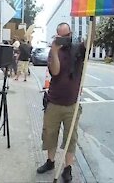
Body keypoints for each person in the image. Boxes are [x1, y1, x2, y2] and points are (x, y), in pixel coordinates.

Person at [37, 22, 86, 182]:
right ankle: (50, 162)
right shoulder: (53, 51)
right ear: (57, 36)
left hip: (72, 103)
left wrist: (92, 23)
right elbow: (55, 72)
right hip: (54, 101)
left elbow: (90, 42)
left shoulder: (78, 48)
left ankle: (67, 168)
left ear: (71, 33)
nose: (66, 39)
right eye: (62, 36)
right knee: (50, 134)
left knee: (70, 137)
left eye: (68, 35)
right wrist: (55, 51)